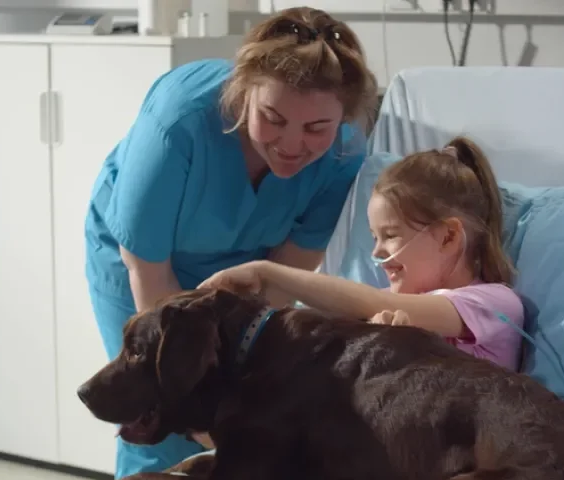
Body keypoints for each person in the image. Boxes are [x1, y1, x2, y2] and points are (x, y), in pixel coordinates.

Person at [84, 7, 379, 480]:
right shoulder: (179, 122)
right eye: (273, 118)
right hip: (145, 262)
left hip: (249, 269)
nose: (291, 144)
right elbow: (149, 272)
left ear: (342, 119)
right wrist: (188, 398)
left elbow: (283, 279)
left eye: (316, 129)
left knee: (239, 410)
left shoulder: (344, 155)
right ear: (243, 94)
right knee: (158, 412)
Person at [200, 136, 525, 371]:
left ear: (448, 236)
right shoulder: (386, 311)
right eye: (373, 236)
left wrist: (267, 272)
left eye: (390, 235)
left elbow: (376, 303)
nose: (376, 251)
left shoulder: (494, 304)